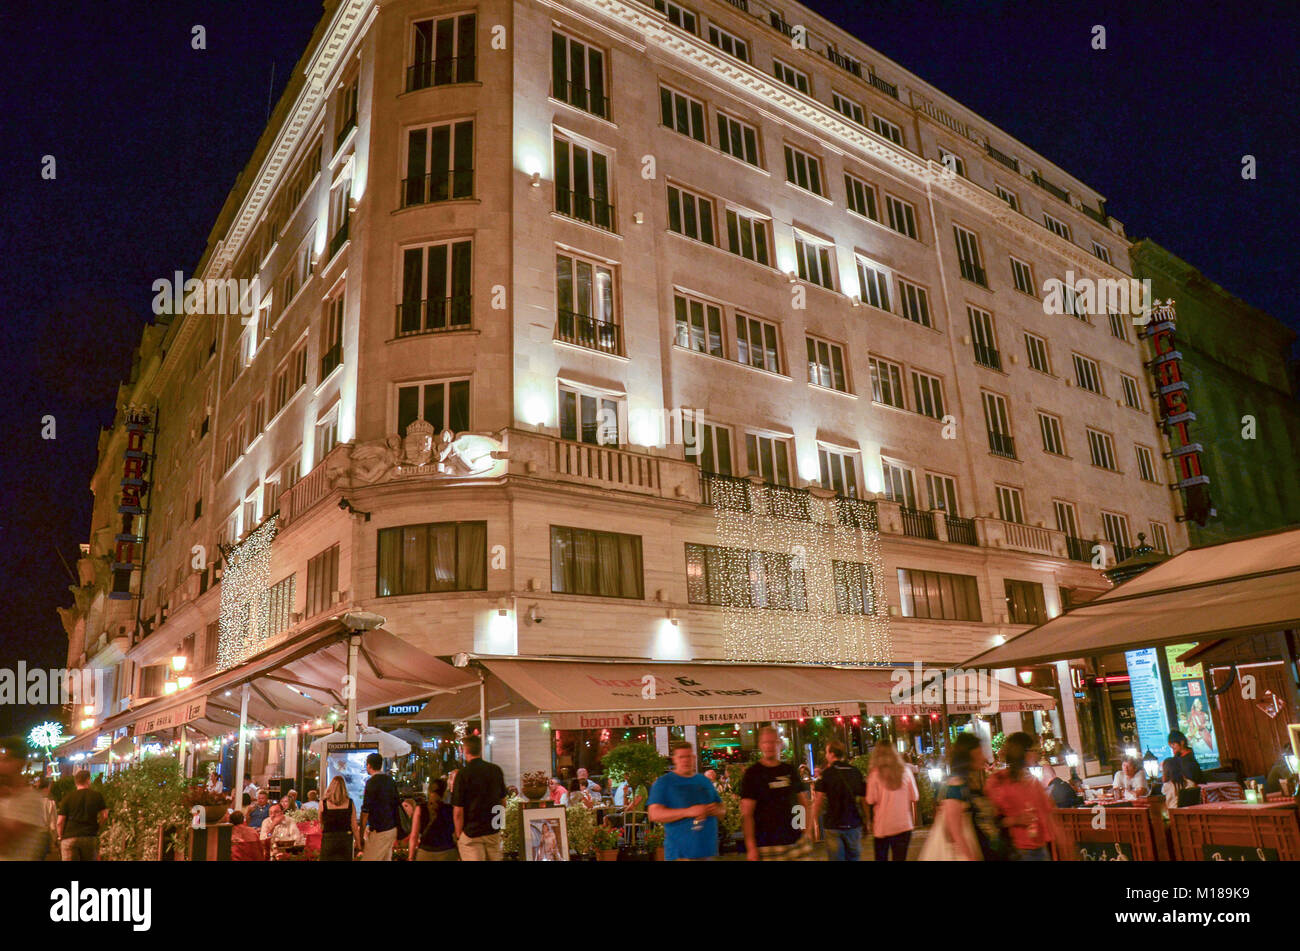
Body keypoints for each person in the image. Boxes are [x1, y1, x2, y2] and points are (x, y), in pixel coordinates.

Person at [986, 732, 1065, 861]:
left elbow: (1049, 813)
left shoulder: (1033, 782)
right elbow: (992, 819)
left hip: (1039, 848)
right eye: (1033, 750)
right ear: (1022, 752)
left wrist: (1063, 842)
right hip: (1017, 850)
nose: (1036, 754)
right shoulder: (999, 780)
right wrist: (1016, 820)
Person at [740, 727, 813, 861]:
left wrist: (805, 831)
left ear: (780, 744)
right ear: (760, 745)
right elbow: (747, 814)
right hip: (766, 845)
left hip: (794, 842)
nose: (769, 746)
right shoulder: (753, 774)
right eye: (765, 742)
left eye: (773, 742)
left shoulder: (789, 770)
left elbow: (803, 804)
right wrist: (751, 847)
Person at [647, 741, 724, 861]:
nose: (685, 760)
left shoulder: (704, 780)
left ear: (693, 758)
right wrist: (689, 812)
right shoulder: (664, 782)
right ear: (674, 759)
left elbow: (721, 809)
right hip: (680, 854)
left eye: (688, 756)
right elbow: (654, 814)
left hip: (708, 851)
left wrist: (715, 810)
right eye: (681, 757)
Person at [935, 732, 1002, 861]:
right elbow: (954, 831)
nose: (983, 758)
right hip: (967, 852)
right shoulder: (956, 785)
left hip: (982, 846)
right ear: (968, 757)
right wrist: (970, 856)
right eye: (979, 754)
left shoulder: (971, 781)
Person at [450, 734, 508, 861]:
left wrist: (459, 834)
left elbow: (458, 811)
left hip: (471, 833)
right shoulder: (495, 770)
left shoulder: (463, 774)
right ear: (480, 749)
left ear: (465, 750)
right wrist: (499, 825)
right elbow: (503, 802)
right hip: (492, 830)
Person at [814, 741, 867, 861]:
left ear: (832, 754)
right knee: (854, 858)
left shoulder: (826, 774)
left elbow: (819, 800)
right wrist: (868, 819)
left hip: (833, 825)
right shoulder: (855, 772)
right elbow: (864, 798)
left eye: (827, 752)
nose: (826, 755)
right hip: (853, 823)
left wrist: (813, 822)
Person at [865, 741, 918, 861]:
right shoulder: (906, 772)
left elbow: (870, 799)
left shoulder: (875, 774)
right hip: (903, 825)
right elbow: (915, 796)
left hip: (883, 826)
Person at [57, 769, 108, 862]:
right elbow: (104, 815)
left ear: (76, 782)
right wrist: (98, 827)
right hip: (89, 836)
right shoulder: (97, 796)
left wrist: (60, 836)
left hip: (70, 837)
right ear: (88, 780)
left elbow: (60, 821)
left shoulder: (68, 797)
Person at [360, 753, 401, 861]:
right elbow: (396, 802)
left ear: (368, 765)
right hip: (391, 828)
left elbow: (365, 811)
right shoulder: (390, 781)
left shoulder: (371, 783)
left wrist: (360, 834)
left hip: (379, 830)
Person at [413, 777, 458, 861]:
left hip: (425, 853)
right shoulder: (450, 810)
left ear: (429, 791)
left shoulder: (420, 809)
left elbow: (414, 836)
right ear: (444, 793)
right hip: (447, 853)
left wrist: (410, 857)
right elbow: (455, 834)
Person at [319, 775, 360, 861]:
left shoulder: (323, 803)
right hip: (345, 838)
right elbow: (354, 826)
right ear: (344, 788)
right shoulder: (350, 803)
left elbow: (321, 822)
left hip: (328, 838)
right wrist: (358, 844)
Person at [37, 776, 59, 861]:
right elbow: (53, 823)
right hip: (43, 835)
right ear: (46, 788)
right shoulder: (50, 803)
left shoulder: (31, 802)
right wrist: (55, 839)